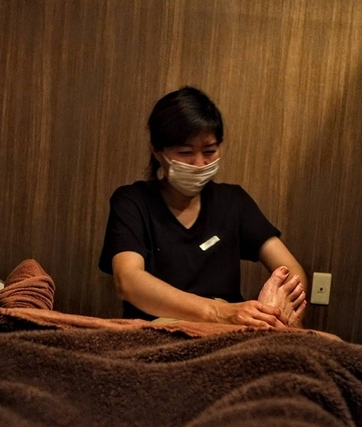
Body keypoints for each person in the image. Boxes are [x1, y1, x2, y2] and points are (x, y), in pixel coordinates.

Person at [99, 86, 308, 328]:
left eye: (209, 151)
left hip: (229, 333)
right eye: (185, 152)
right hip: (157, 330)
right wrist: (220, 312)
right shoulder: (132, 202)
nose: (199, 164)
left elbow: (290, 269)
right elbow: (128, 281)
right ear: (156, 151)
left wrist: (278, 309)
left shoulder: (233, 201)